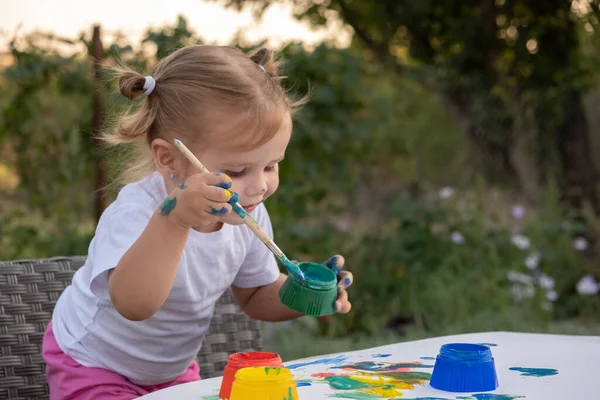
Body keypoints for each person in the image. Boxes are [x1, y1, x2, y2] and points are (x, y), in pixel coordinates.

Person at [42, 44, 354, 399]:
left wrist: (306, 296)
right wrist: (174, 221)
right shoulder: (137, 212)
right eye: (237, 171)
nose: (260, 186)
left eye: (271, 165)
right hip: (93, 362)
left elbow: (254, 295)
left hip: (171, 372)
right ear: (168, 158)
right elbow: (134, 304)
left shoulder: (248, 214)